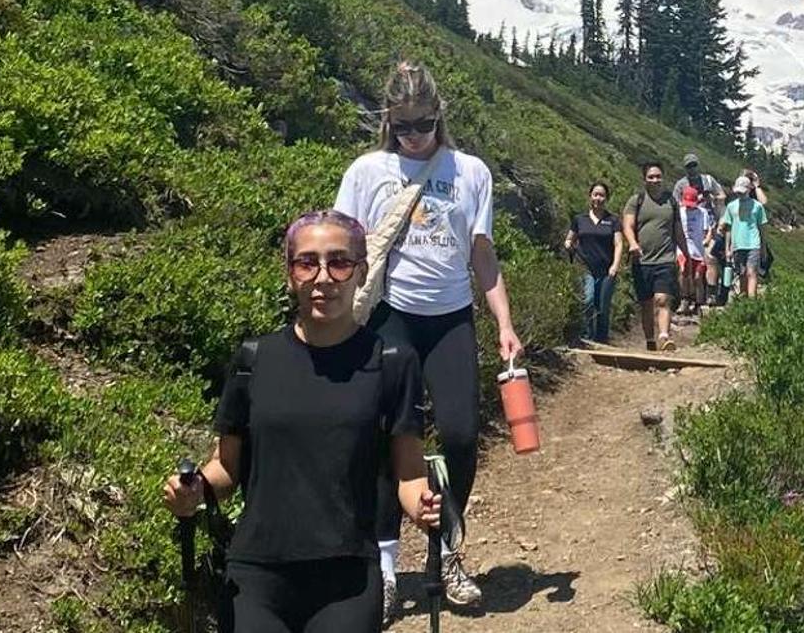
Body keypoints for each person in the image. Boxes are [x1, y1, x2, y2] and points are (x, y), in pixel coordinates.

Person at [162, 211, 443, 633]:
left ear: (362, 271)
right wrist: (193, 490)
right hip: (256, 574)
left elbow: (409, 476)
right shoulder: (254, 360)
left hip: (348, 576)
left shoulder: (392, 363)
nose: (323, 277)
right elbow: (226, 468)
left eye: (340, 262)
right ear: (290, 275)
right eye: (307, 263)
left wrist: (424, 508)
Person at [332, 62, 522, 614]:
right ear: (388, 121)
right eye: (404, 126)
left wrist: (505, 324)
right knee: (391, 436)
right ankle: (385, 566)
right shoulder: (367, 171)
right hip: (390, 314)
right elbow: (341, 245)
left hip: (451, 316)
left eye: (424, 124)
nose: (414, 136)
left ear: (440, 116)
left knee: (461, 434)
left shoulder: (471, 172)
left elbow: (482, 256)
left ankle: (448, 548)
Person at [622, 160, 686, 351]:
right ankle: (650, 340)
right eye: (651, 177)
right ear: (644, 179)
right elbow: (627, 225)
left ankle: (664, 336)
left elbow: (678, 230)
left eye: (658, 176)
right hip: (642, 260)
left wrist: (686, 254)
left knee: (662, 299)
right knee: (646, 303)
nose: (655, 180)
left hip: (665, 259)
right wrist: (633, 243)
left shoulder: (671, 202)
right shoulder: (636, 201)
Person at [563, 181, 623, 344]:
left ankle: (602, 339)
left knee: (602, 306)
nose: (598, 198)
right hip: (584, 266)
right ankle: (586, 336)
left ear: (607, 198)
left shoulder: (613, 220)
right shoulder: (579, 219)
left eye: (602, 195)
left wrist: (615, 265)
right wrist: (568, 244)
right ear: (590, 196)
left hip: (606, 269)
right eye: (595, 194)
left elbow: (618, 244)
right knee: (588, 300)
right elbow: (570, 238)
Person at [722, 174, 769, 300]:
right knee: (741, 273)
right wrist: (727, 248)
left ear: (749, 189)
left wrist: (763, 247)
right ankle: (743, 299)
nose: (740, 194)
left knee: (751, 272)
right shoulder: (731, 206)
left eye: (742, 192)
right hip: (737, 244)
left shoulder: (757, 206)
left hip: (753, 243)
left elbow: (762, 228)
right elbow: (729, 228)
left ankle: (752, 300)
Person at [676, 184, 712, 316]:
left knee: (697, 277)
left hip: (698, 250)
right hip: (683, 249)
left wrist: (707, 240)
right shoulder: (679, 212)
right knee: (683, 272)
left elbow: (708, 230)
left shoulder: (702, 213)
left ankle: (698, 302)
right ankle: (684, 299)